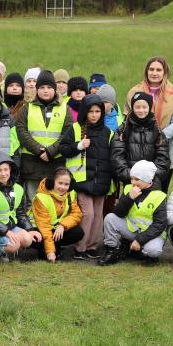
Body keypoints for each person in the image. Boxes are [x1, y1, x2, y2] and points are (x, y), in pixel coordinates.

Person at [58, 94, 112, 260]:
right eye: (91, 111)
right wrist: (79, 146)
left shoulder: (108, 133)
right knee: (87, 214)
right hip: (81, 181)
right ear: (84, 112)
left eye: (97, 111)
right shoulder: (75, 129)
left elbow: (111, 157)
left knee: (97, 215)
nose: (94, 115)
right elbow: (63, 149)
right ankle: (80, 247)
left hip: (101, 181)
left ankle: (92, 246)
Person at [125, 57, 173, 190]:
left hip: (164, 148)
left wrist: (158, 136)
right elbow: (127, 118)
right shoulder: (134, 92)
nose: (154, 73)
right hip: (137, 148)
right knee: (136, 192)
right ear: (146, 71)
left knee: (160, 192)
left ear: (165, 72)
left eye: (158, 69)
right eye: (151, 69)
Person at [14, 70, 71, 201]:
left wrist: (50, 151)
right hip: (32, 163)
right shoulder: (27, 108)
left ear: (55, 89)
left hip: (55, 163)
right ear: (36, 89)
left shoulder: (64, 108)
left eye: (49, 87)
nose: (46, 91)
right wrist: (39, 151)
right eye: (42, 87)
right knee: (32, 201)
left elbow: (67, 133)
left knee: (54, 201)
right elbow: (21, 131)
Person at [99, 160, 167, 266]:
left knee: (153, 251)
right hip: (132, 229)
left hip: (151, 234)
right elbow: (118, 213)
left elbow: (160, 224)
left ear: (148, 180)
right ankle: (112, 250)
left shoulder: (159, 196)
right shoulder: (128, 189)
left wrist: (139, 240)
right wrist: (130, 198)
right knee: (110, 218)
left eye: (137, 179)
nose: (132, 182)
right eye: (131, 178)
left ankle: (144, 254)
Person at [111, 92, 170, 190]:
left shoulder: (157, 130)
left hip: (151, 182)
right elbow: (117, 156)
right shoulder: (123, 130)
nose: (141, 110)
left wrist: (149, 177)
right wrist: (132, 176)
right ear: (132, 108)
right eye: (137, 107)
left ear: (150, 107)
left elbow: (163, 158)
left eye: (144, 107)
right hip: (130, 182)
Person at [0, 155, 38, 260]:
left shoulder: (18, 188)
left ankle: (8, 248)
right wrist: (6, 232)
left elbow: (20, 212)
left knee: (28, 239)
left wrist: (29, 229)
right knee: (14, 244)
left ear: (11, 170)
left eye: (6, 169)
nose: (3, 173)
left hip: (10, 226)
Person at [31, 167, 85, 262]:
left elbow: (76, 214)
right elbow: (44, 227)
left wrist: (62, 225)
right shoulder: (41, 198)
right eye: (60, 183)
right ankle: (46, 250)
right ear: (52, 182)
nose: (63, 187)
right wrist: (50, 252)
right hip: (39, 230)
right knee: (35, 238)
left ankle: (55, 247)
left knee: (78, 232)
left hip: (56, 228)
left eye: (66, 184)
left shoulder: (71, 193)